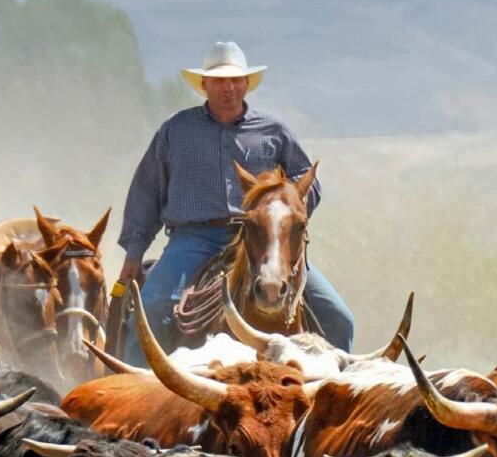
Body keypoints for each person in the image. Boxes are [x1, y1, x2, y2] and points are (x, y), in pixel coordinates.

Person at [118, 41, 354, 362]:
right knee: (152, 309)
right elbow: (147, 190)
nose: (227, 87)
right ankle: (136, 387)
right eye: (219, 81)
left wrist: (284, 219)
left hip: (261, 237)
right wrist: (135, 251)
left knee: (338, 317)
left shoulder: (274, 131)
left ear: (246, 84)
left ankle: (335, 390)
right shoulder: (176, 130)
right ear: (204, 84)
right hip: (193, 238)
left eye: (234, 80)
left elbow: (305, 181)